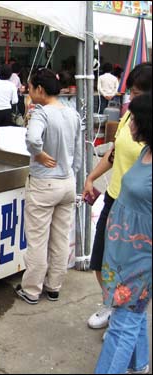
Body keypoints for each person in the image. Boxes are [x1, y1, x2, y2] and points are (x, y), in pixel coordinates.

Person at [83, 62, 152, 331]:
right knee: (100, 261)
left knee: (133, 272)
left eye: (136, 93)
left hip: (140, 211)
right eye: (130, 93)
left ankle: (126, 319)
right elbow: (113, 154)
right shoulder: (128, 117)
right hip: (114, 200)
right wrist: (91, 177)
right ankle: (113, 305)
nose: (130, 99)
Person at [94, 92, 152, 374]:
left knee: (122, 325)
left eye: (134, 120)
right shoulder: (145, 152)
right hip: (124, 253)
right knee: (134, 315)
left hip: (142, 259)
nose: (128, 125)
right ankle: (139, 364)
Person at [15, 68, 82, 305]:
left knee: (38, 240)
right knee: (60, 238)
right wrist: (69, 173)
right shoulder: (72, 113)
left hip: (44, 183)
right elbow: (79, 154)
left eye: (30, 88)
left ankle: (32, 289)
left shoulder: (41, 113)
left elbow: (32, 139)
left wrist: (39, 154)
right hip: (67, 183)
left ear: (40, 90)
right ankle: (54, 287)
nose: (29, 92)